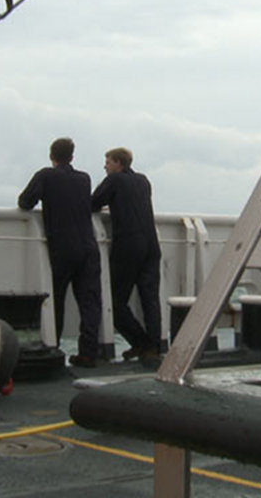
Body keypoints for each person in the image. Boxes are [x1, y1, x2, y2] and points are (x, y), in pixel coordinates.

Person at [18, 138, 102, 368]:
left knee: (57, 299)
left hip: (63, 247)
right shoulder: (84, 179)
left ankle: (54, 348)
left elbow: (25, 202)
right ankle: (88, 353)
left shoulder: (46, 176)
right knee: (90, 302)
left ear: (51, 155)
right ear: (72, 156)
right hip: (88, 246)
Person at [91, 147, 162, 363]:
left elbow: (93, 202)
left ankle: (140, 341)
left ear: (118, 163)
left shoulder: (114, 181)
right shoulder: (143, 180)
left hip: (129, 246)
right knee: (149, 298)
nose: (105, 166)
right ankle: (154, 346)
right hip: (151, 244)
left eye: (108, 162)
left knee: (115, 298)